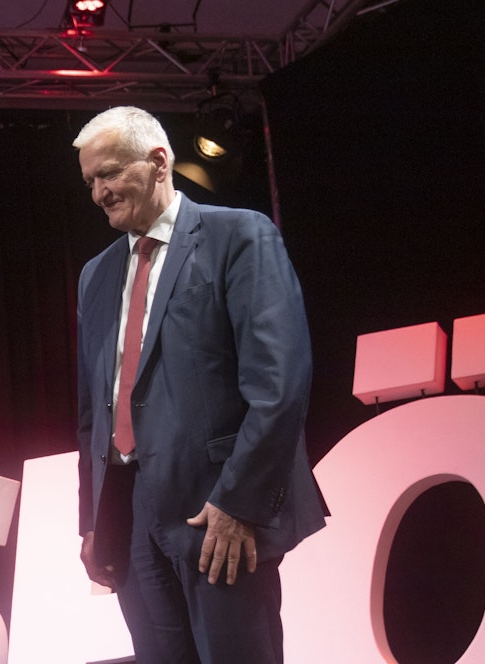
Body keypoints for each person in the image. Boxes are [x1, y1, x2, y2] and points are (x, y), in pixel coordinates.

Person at [74, 106, 327, 664]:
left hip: (217, 509)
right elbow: (94, 407)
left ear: (159, 161)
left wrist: (240, 502)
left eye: (110, 173)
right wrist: (92, 519)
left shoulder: (237, 236)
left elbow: (279, 384)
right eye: (91, 180)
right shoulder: (96, 275)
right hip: (133, 512)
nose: (99, 192)